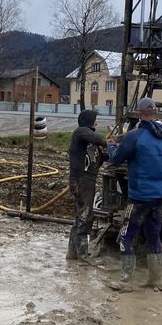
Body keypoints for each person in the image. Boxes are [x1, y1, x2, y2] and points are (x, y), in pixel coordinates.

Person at [107, 96, 162, 290]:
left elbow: (116, 159)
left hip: (139, 196)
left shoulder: (135, 136)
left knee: (126, 236)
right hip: (160, 194)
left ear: (138, 113)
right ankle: (156, 280)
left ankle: (125, 280)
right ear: (155, 112)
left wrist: (111, 144)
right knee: (154, 235)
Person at [67, 108, 108, 260]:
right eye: (95, 119)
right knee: (85, 217)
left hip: (86, 183)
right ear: (90, 121)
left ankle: (72, 255)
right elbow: (98, 139)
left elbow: (104, 157)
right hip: (81, 182)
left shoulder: (90, 143)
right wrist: (109, 141)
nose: (97, 122)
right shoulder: (80, 133)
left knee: (80, 217)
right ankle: (83, 258)